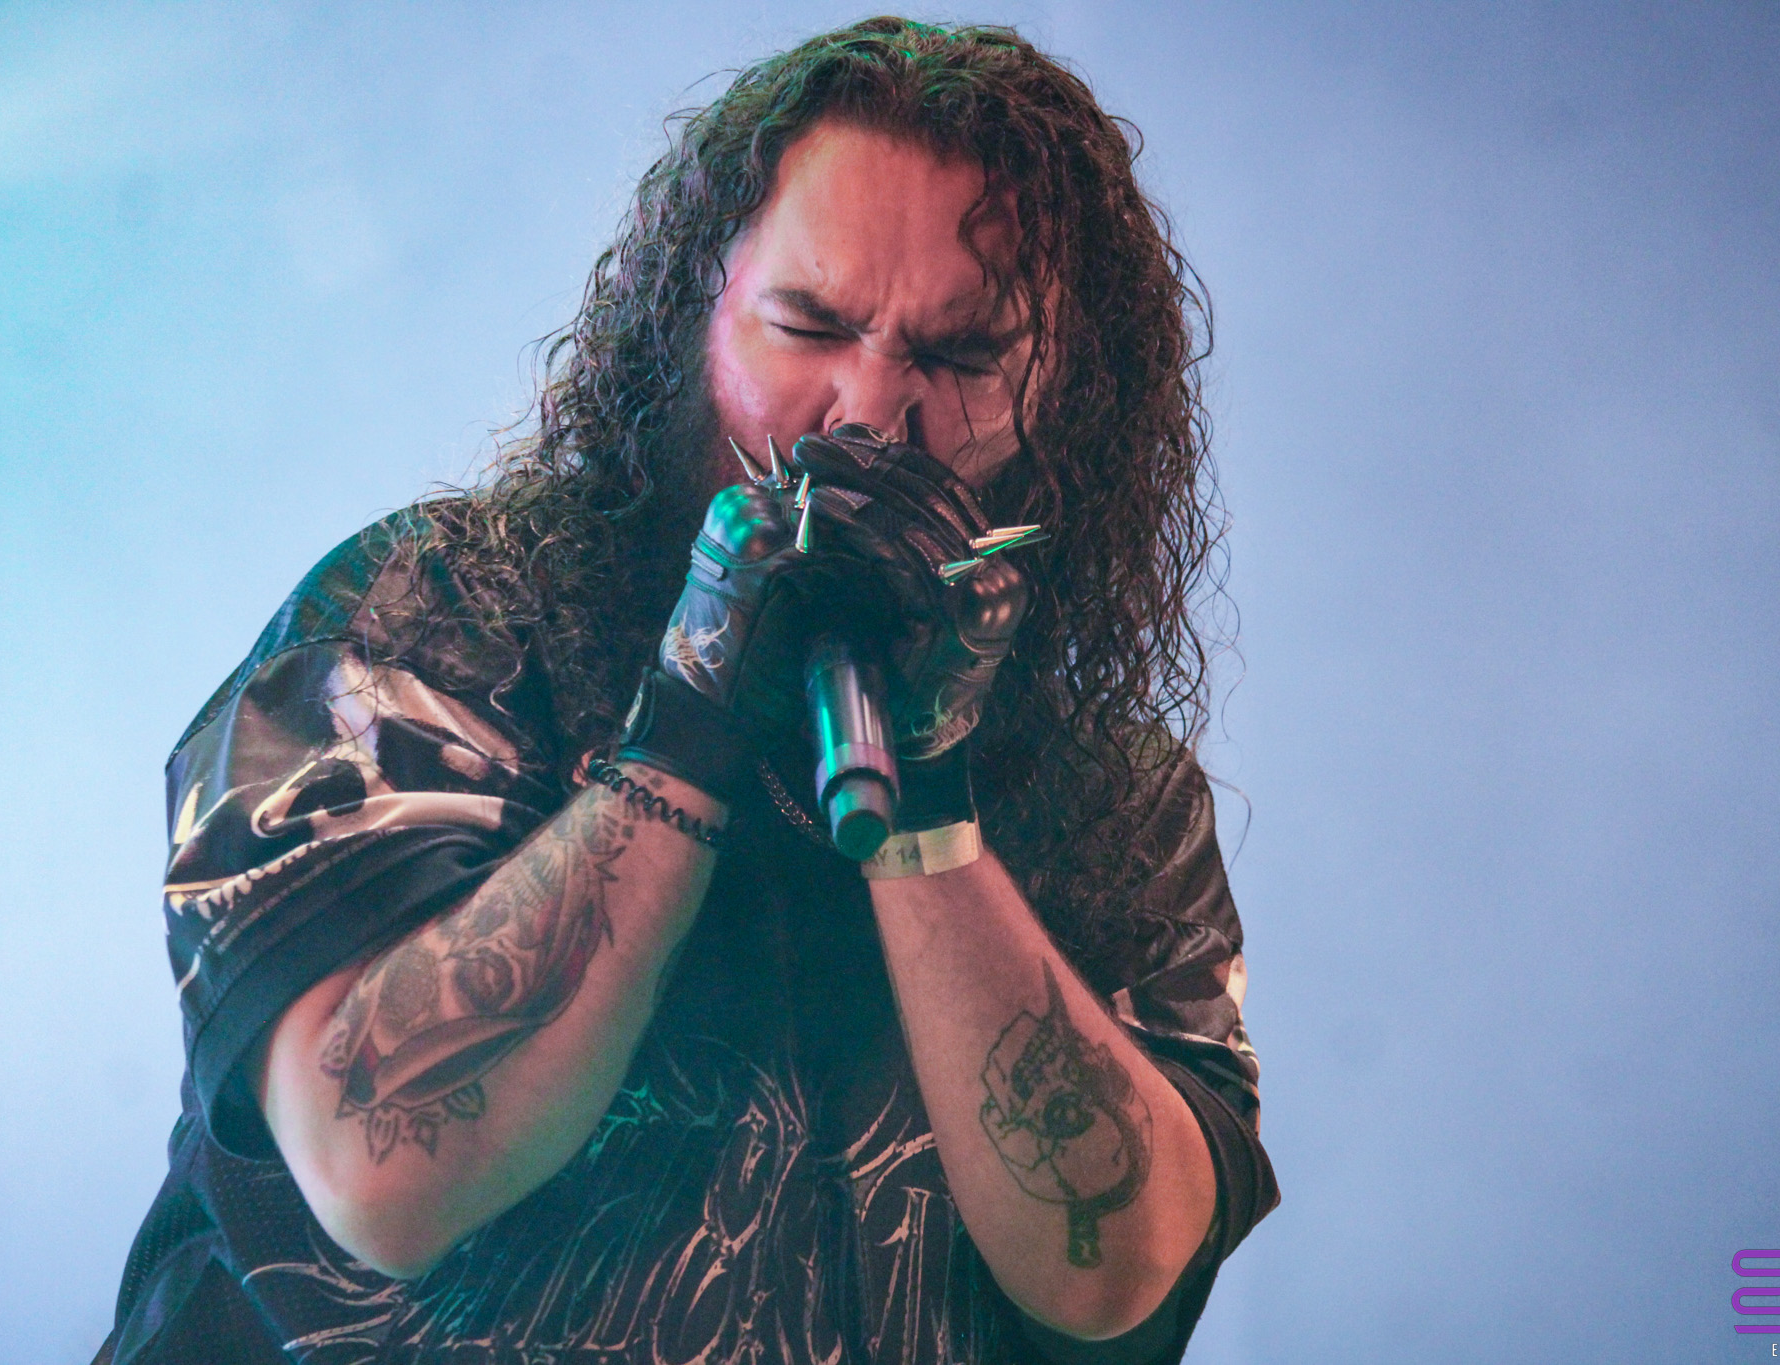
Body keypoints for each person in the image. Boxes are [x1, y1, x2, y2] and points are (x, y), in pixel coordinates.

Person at [99, 18, 1275, 1364]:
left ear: (1065, 393)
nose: (867, 413)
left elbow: (1112, 1273)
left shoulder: (1118, 795)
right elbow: (380, 1170)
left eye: (962, 358)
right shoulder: (438, 618)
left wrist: (928, 809)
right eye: (809, 325)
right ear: (690, 318)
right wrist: (689, 726)